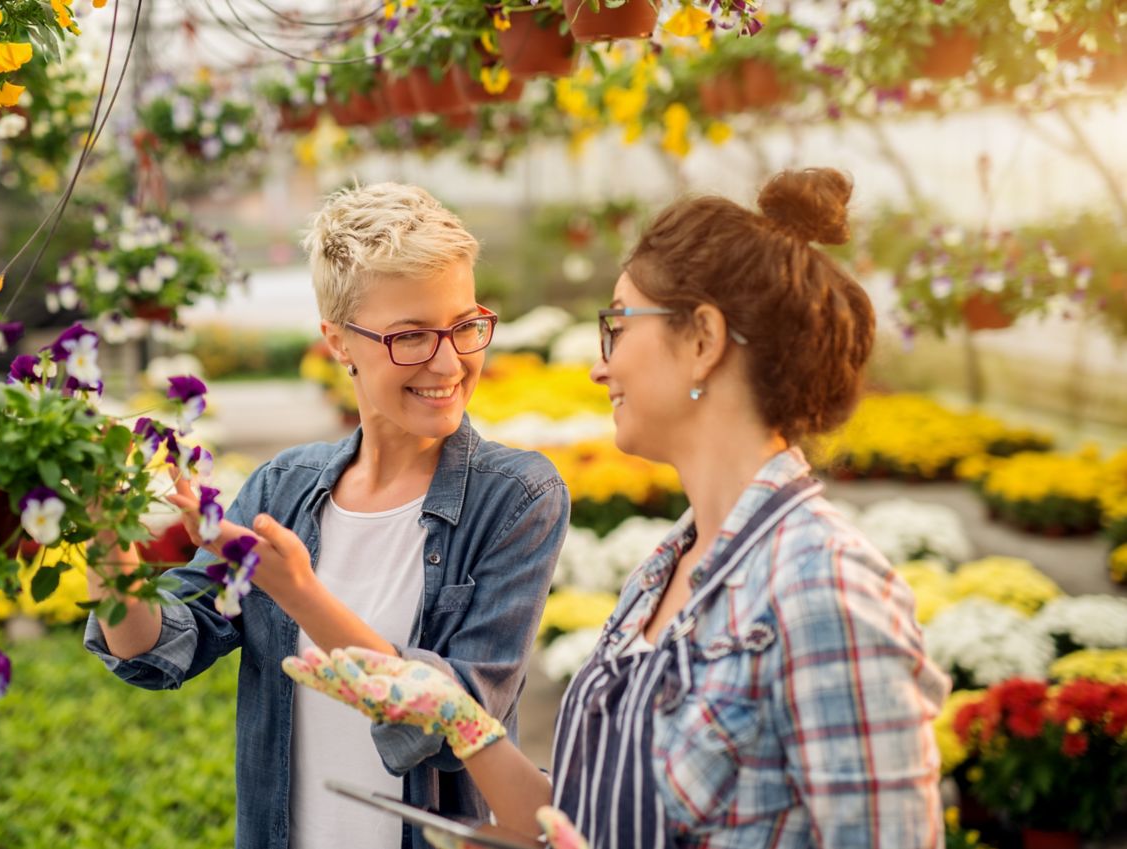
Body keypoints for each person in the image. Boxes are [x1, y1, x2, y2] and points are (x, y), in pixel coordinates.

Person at [282, 169, 951, 849]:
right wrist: (465, 725)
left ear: (701, 340)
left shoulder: (822, 590)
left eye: (618, 324)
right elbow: (581, 820)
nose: (599, 367)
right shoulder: (666, 570)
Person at [84, 182, 570, 849]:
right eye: (410, 336)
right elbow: (158, 647)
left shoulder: (515, 497)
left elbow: (455, 722)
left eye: (463, 325)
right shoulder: (281, 488)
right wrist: (104, 538)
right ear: (338, 341)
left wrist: (298, 592)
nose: (448, 359)